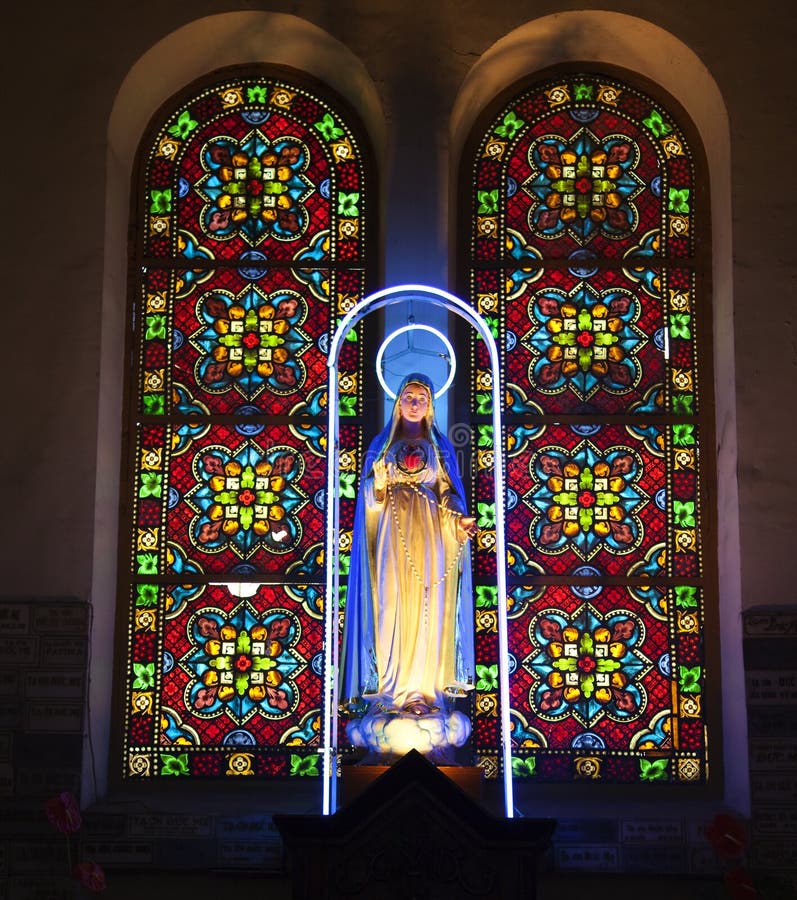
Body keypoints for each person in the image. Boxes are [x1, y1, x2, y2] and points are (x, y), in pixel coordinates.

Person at [340, 373, 476, 730]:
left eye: (422, 398)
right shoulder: (381, 446)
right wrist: (380, 481)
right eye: (409, 397)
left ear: (430, 406)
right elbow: (368, 500)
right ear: (398, 402)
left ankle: (423, 692)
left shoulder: (439, 446)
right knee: (389, 606)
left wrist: (459, 519)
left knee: (427, 609)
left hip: (430, 534)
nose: (415, 403)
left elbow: (449, 491)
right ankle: (390, 692)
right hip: (390, 533)